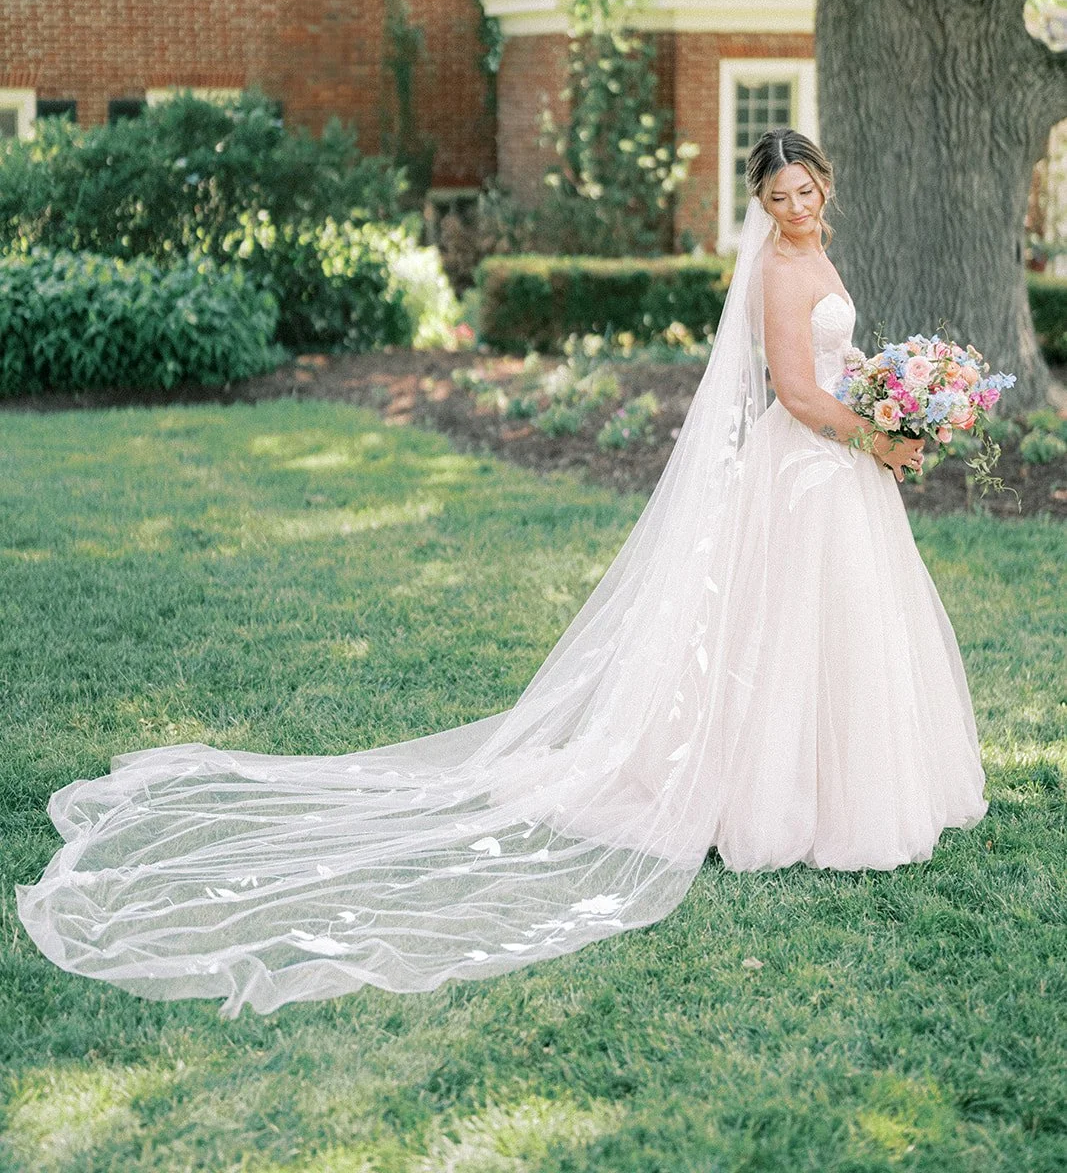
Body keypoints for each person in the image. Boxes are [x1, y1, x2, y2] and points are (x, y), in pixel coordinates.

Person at [16, 130, 988, 1017]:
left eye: (804, 188)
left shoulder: (816, 251)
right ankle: (780, 796)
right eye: (776, 196)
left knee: (840, 627)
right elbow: (789, 389)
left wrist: (891, 384)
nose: (794, 206)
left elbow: (832, 355)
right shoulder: (777, 272)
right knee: (792, 626)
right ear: (760, 203)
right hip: (806, 467)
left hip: (839, 463)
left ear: (823, 183)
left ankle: (839, 775)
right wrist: (874, 433)